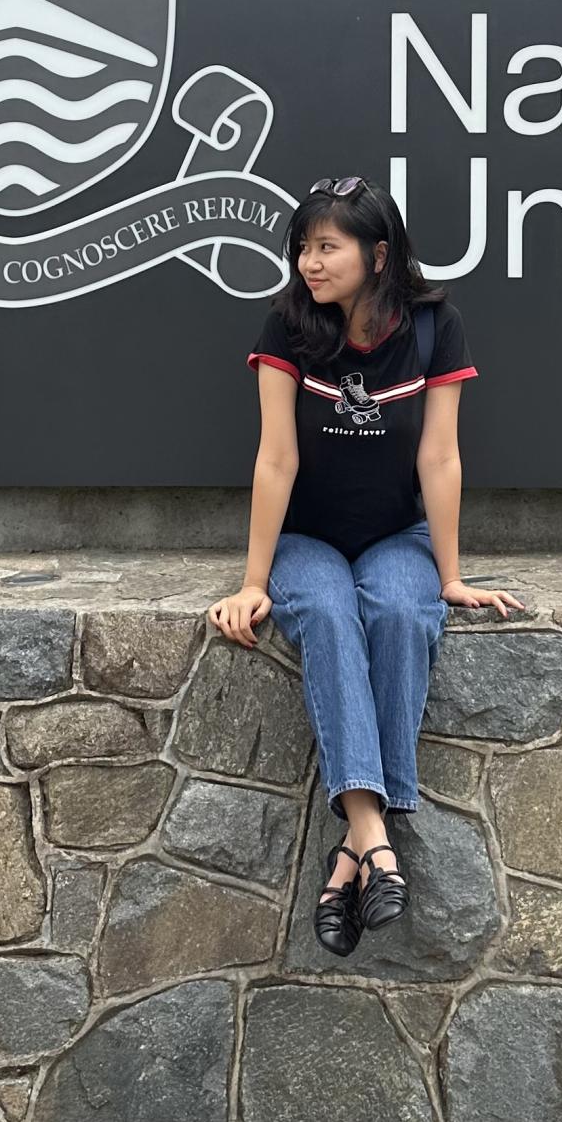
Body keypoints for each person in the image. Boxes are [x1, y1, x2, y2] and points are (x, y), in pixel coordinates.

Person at [206, 174, 524, 957]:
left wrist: (449, 575)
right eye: (304, 247)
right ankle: (374, 835)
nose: (310, 262)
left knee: (401, 610)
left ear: (378, 254)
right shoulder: (287, 327)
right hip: (306, 537)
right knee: (324, 608)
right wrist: (253, 582)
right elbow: (276, 458)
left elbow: (440, 455)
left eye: (328, 246)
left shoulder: (431, 325)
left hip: (397, 535)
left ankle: (352, 849)